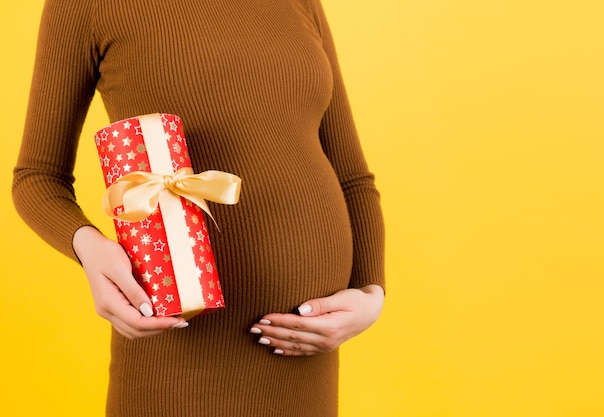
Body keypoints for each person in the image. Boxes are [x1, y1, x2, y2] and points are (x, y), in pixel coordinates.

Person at [12, 0, 385, 416]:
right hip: (178, 351)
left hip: (305, 355)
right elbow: (37, 176)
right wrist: (89, 249)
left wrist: (371, 292)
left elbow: (353, 178)